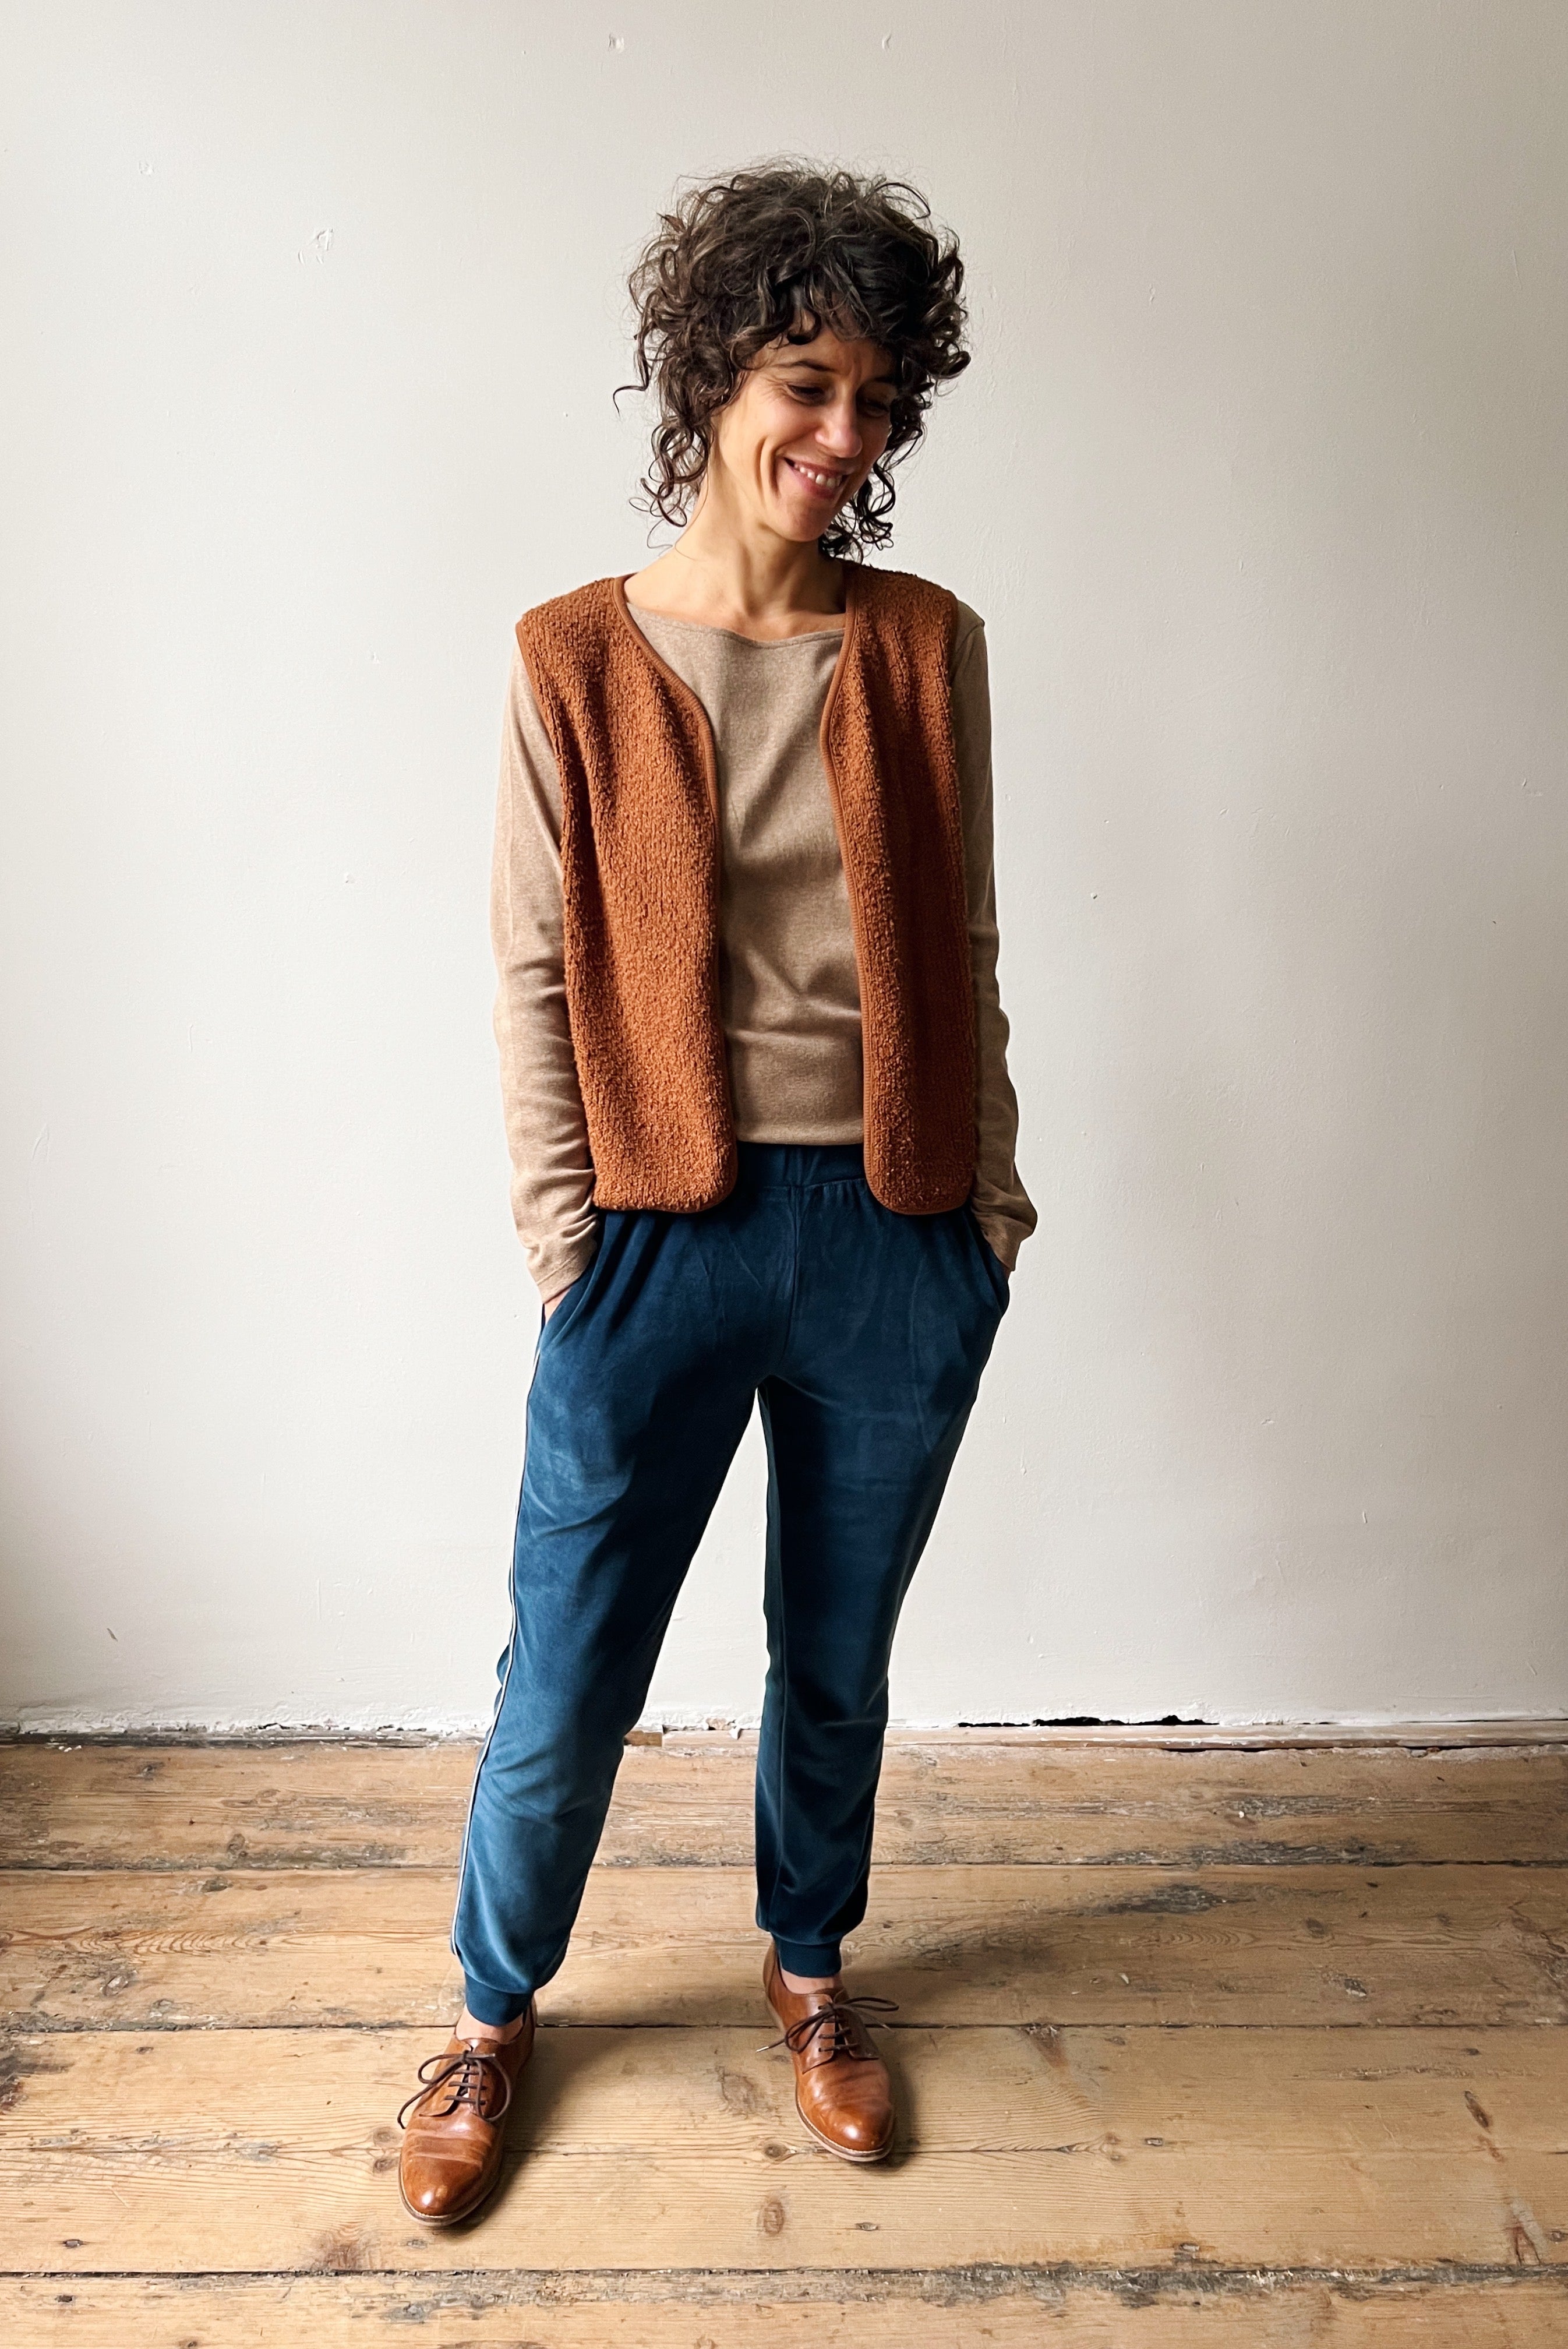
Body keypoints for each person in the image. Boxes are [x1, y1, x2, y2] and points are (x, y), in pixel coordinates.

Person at [397, 158, 1036, 2228]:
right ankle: (493, 2012)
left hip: (892, 1220)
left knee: (834, 1650)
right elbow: (522, 963)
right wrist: (565, 1236)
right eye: (804, 384)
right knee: (566, 1660)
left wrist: (987, 1213)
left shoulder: (928, 649)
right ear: (710, 377)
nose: (840, 442)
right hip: (654, 1236)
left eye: (877, 406)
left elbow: (961, 951)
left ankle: (813, 1975)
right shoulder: (571, 659)